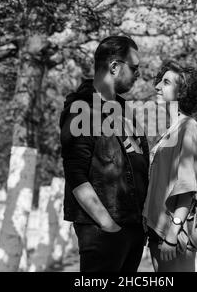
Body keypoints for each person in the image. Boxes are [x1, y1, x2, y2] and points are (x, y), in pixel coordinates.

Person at [59, 36, 149, 272]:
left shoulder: (124, 110)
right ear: (114, 66)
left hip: (132, 229)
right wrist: (108, 225)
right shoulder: (83, 109)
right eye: (134, 68)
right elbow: (76, 175)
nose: (138, 74)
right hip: (103, 232)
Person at [142, 60, 197, 272]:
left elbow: (187, 188)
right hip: (158, 232)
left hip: (174, 235)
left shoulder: (189, 128)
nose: (157, 86)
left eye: (166, 82)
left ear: (182, 92)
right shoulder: (171, 130)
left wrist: (172, 233)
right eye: (159, 81)